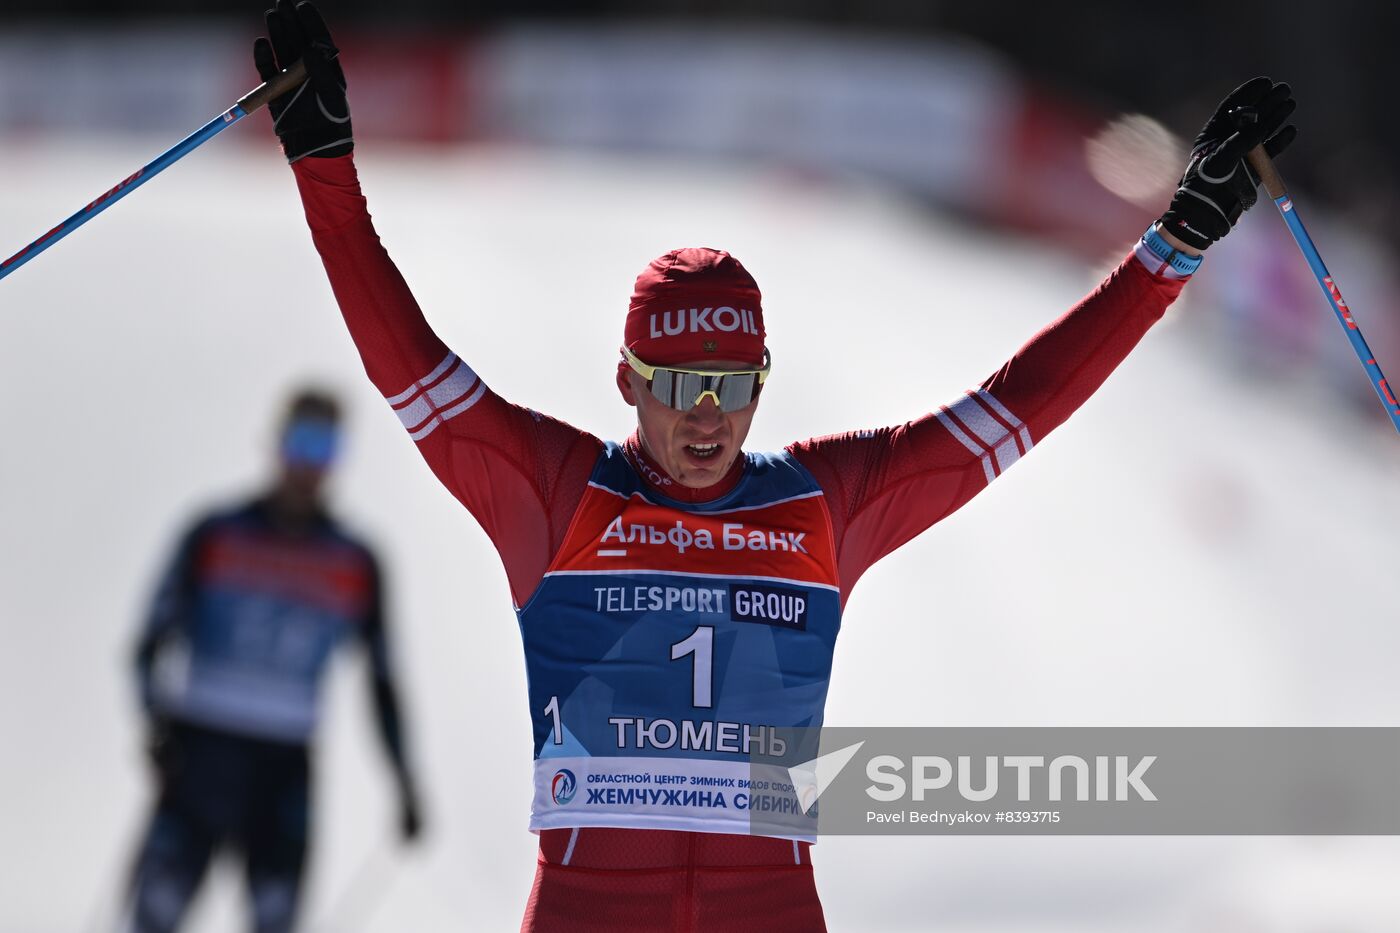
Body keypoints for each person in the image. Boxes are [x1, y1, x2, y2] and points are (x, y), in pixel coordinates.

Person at [250, 3, 1296, 929]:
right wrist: (326, 174)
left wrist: (1170, 249)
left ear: (761, 380)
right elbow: (406, 362)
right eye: (674, 383)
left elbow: (1013, 410)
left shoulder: (822, 507)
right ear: (624, 379)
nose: (704, 416)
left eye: (729, 383)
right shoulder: (553, 492)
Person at [126, 388, 423, 933]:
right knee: (153, 914)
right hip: (200, 754)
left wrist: (404, 782)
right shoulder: (215, 533)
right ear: (276, 444)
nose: (308, 464)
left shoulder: (354, 561)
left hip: (283, 766)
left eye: (324, 449)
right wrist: (155, 725)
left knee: (275, 919)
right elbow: (148, 643)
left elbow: (381, 681)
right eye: (301, 443)